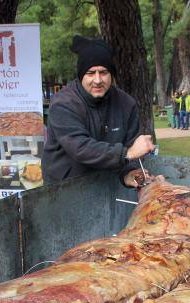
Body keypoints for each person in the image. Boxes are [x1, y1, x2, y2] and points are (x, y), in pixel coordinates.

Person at [42, 35, 154, 188]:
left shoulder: (126, 104)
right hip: (64, 190)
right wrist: (127, 153)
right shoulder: (63, 104)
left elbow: (131, 148)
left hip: (105, 188)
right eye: (90, 73)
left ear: (111, 74)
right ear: (81, 75)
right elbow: (80, 148)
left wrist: (129, 173)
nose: (97, 80)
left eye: (103, 72)